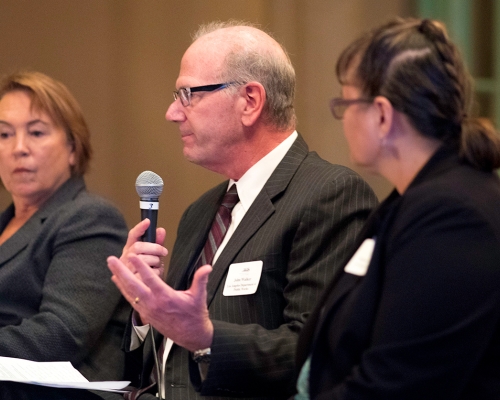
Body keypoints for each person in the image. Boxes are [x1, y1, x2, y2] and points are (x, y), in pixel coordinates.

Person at [106, 21, 377, 400]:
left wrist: (206, 338)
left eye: (187, 94)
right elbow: (161, 366)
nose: (172, 113)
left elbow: (315, 352)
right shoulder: (200, 212)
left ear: (250, 101)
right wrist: (146, 309)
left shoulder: (330, 195)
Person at [294, 17, 500, 399]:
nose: (344, 119)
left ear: (383, 115)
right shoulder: (412, 200)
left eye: (346, 103)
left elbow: (398, 385)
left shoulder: (453, 215)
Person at [0, 71, 129, 397]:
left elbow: (60, 333)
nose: (18, 148)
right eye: (3, 135)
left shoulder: (90, 218)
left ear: (73, 148)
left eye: (37, 133)